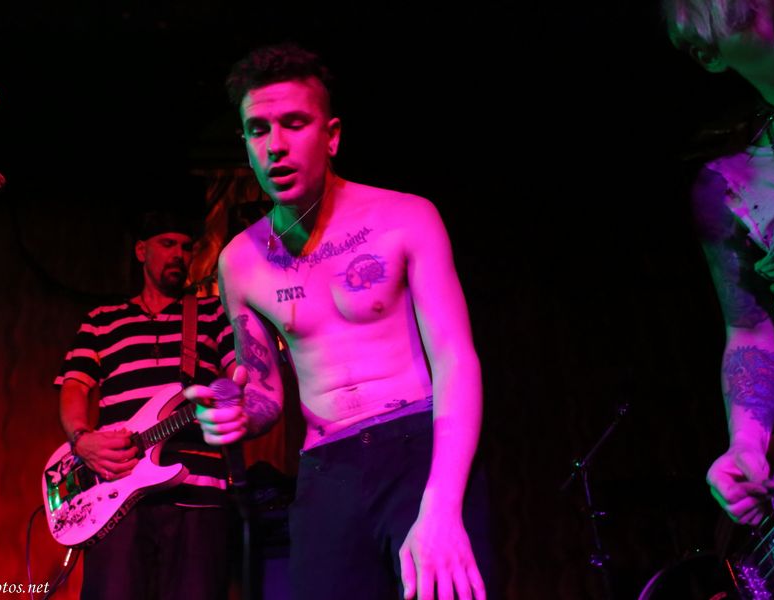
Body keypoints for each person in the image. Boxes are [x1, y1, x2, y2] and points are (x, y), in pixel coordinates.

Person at [185, 43, 495, 600]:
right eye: (258, 130)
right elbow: (265, 394)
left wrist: (442, 506)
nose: (275, 145)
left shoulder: (406, 217)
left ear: (331, 136)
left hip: (419, 449)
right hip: (327, 469)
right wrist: (234, 413)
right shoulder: (239, 262)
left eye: (294, 123)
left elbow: (457, 360)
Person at [54, 203, 237, 600]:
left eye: (186, 247)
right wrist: (81, 439)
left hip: (199, 494)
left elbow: (243, 377)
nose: (179, 255)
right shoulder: (102, 319)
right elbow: (74, 387)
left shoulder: (212, 314)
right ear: (141, 251)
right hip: (116, 496)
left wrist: (238, 392)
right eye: (167, 244)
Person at [664, 0, 774, 526]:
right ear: (707, 53)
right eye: (738, 11)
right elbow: (751, 332)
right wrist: (747, 443)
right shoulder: (729, 185)